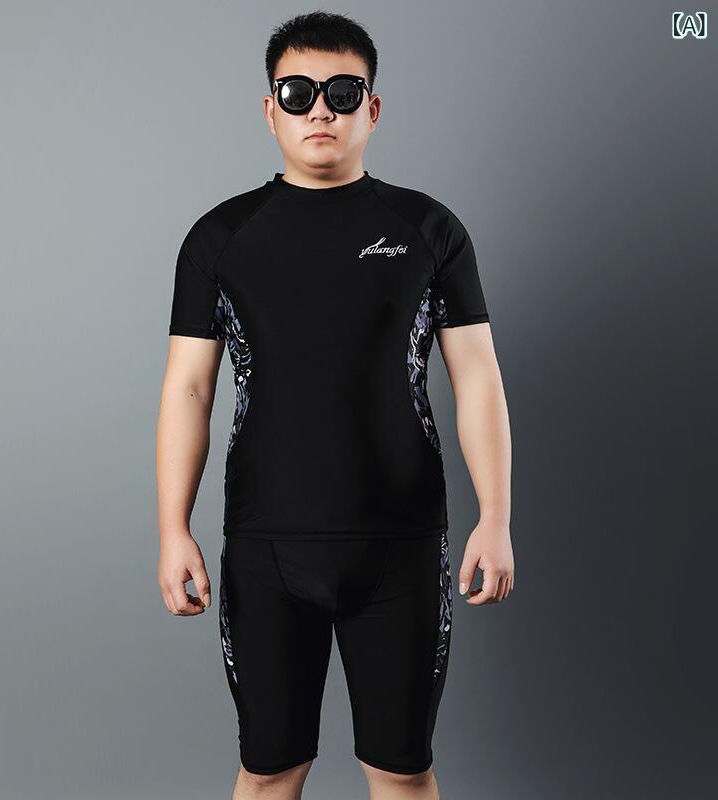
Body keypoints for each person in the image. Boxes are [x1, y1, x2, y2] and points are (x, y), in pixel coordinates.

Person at [156, 11, 514, 800]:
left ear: (372, 108)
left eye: (343, 92)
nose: (321, 109)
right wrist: (172, 528)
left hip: (401, 546)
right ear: (270, 109)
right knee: (269, 771)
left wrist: (496, 517)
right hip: (267, 548)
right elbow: (188, 388)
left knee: (402, 772)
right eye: (298, 92)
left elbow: (479, 379)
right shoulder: (220, 238)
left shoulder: (428, 230)